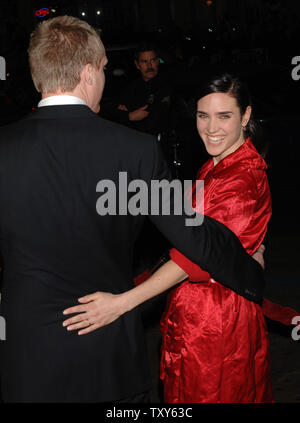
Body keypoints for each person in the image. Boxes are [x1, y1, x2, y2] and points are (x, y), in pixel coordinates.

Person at [0, 16, 264, 403]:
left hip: (25, 352)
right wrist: (248, 272)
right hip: (105, 352)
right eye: (105, 69)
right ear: (88, 73)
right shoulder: (132, 151)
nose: (105, 79)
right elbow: (192, 235)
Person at [63, 73, 274, 403]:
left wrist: (121, 304)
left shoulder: (241, 176)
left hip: (217, 321)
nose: (211, 128)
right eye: (203, 116)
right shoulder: (217, 164)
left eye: (224, 116)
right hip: (200, 313)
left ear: (245, 116)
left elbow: (196, 255)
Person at [117, 43, 173, 137]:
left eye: (153, 60)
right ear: (137, 65)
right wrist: (129, 116)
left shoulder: (167, 84)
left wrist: (129, 115)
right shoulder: (131, 87)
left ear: (158, 61)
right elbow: (115, 112)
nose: (149, 66)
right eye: (144, 61)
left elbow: (155, 117)